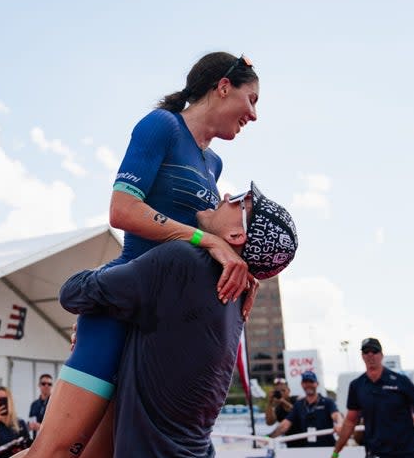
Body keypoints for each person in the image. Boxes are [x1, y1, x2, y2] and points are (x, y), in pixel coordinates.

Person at [27, 52, 261, 456]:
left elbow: (218, 233)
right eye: (252, 99)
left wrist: (244, 270)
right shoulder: (162, 126)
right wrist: (207, 242)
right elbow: (123, 210)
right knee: (52, 453)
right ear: (223, 87)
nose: (254, 115)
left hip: (158, 325)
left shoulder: (214, 163)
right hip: (117, 310)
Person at [50, 181, 297, 456]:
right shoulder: (236, 299)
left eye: (239, 199)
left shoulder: (184, 261)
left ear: (237, 234)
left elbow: (72, 293)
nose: (226, 195)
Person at [332, 338, 414, 458]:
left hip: (406, 452)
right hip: (376, 452)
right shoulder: (357, 385)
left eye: (374, 351)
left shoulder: (400, 381)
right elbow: (350, 421)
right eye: (366, 352)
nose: (370, 355)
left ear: (381, 355)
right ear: (362, 356)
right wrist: (336, 451)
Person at [267, 371, 342, 448]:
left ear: (317, 384)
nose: (308, 385)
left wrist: (340, 423)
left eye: (311, 382)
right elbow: (284, 425)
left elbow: (336, 415)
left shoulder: (327, 402)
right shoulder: (299, 405)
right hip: (307, 449)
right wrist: (267, 438)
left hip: (327, 447)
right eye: (305, 382)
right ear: (302, 384)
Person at [0, 387, 31, 458]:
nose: (2, 403)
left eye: (5, 399)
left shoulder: (20, 423)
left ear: (10, 401)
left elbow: (29, 448)